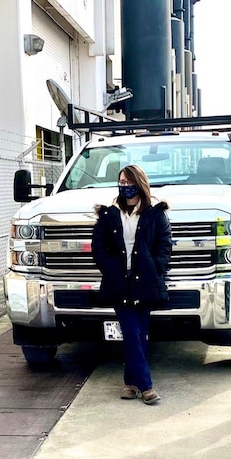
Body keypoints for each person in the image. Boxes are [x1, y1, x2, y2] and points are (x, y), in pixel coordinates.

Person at [91, 165, 172, 405]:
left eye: (128, 181)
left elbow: (164, 244)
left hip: (145, 283)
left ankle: (130, 383)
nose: (125, 185)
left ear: (139, 183)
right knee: (131, 331)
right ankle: (146, 387)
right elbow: (98, 247)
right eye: (121, 181)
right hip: (119, 284)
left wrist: (155, 268)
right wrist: (110, 270)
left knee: (140, 333)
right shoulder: (109, 214)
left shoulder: (155, 213)